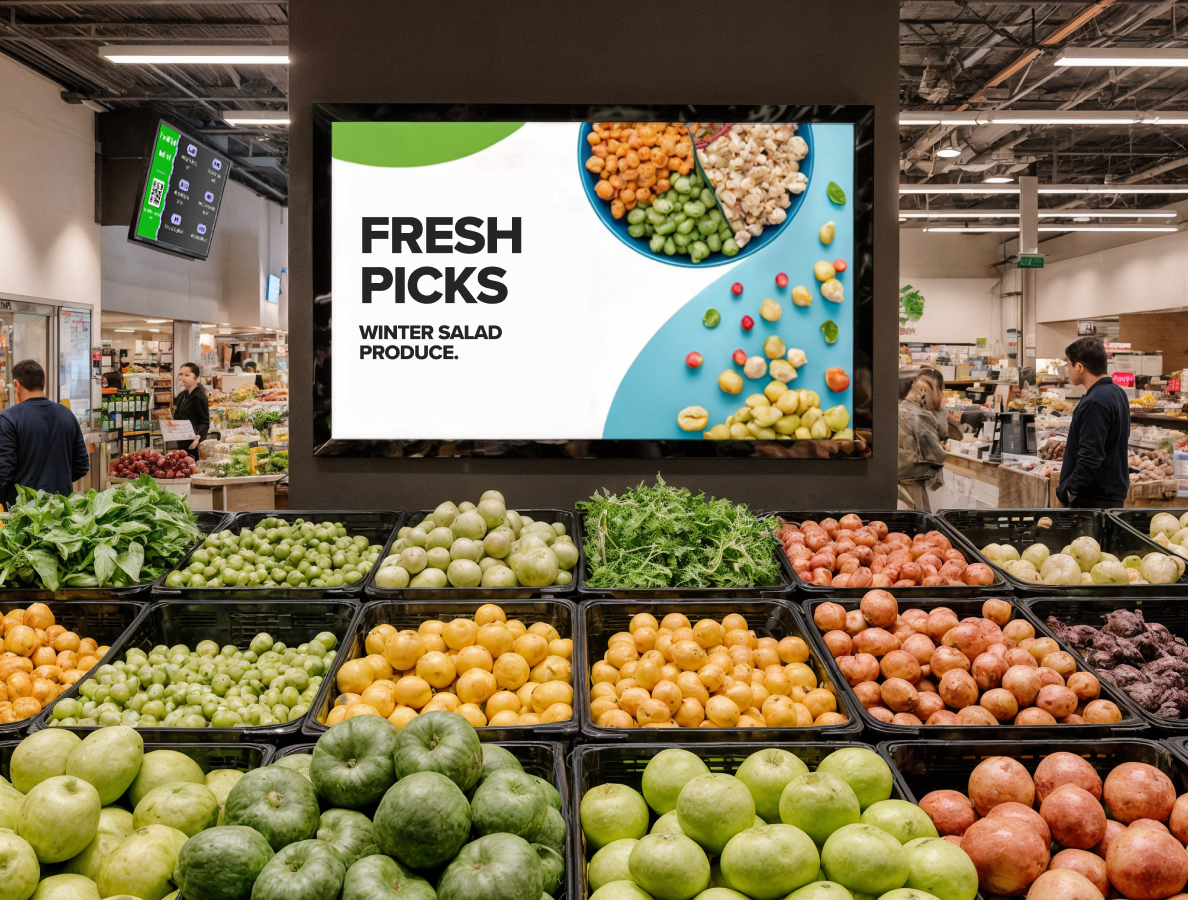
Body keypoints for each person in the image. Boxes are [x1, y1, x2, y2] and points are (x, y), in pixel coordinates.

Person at [0, 360, 90, 508]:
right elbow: (82, 466)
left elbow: (3, 473)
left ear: (16, 384)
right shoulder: (66, 414)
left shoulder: (9, 419)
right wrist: (56, 483)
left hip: (23, 515)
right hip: (61, 511)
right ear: (43, 384)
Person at [1057, 336, 1130, 508]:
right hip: (1110, 496)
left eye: (1069, 365)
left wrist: (1069, 492)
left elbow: (1089, 458)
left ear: (1079, 367)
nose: (1068, 371)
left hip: (1093, 500)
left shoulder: (1095, 402)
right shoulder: (1118, 392)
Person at [898, 368, 963, 511]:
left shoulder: (917, 411)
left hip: (910, 484)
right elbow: (939, 454)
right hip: (912, 485)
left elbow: (956, 435)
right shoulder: (919, 415)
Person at [172, 362, 210, 460]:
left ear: (196, 378)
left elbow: (204, 422)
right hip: (183, 440)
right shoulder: (183, 395)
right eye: (180, 374)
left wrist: (198, 437)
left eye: (187, 375)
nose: (182, 378)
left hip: (193, 444)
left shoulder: (199, 396)